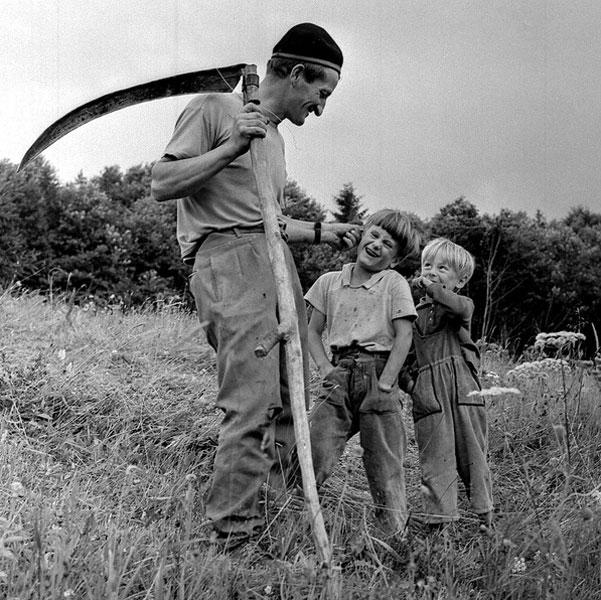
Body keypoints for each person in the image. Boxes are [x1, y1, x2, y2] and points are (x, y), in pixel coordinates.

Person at [150, 23, 360, 542]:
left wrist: (319, 231)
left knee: (292, 398)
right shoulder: (215, 110)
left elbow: (267, 216)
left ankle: (273, 521)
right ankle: (233, 532)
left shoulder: (277, 140)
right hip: (227, 259)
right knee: (252, 398)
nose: (321, 106)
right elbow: (162, 182)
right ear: (293, 73)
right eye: (320, 92)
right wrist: (229, 149)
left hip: (275, 257)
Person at [302, 209, 420, 536]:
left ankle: (394, 536)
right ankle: (292, 513)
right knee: (316, 447)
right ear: (362, 233)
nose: (377, 245)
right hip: (339, 374)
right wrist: (326, 368)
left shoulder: (393, 283)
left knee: (384, 462)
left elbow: (404, 336)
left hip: (378, 373)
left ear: (394, 259)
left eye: (388, 244)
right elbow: (312, 332)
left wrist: (386, 381)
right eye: (375, 235)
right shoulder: (329, 282)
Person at [401, 238, 494, 529]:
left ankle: (486, 517)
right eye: (427, 265)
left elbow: (457, 308)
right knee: (436, 458)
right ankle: (438, 525)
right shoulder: (412, 314)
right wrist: (413, 386)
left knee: (473, 455)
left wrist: (430, 286)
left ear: (461, 280)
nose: (432, 271)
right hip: (429, 393)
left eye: (443, 268)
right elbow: (406, 358)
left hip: (463, 387)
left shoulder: (461, 304)